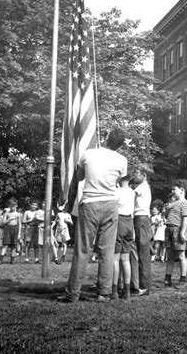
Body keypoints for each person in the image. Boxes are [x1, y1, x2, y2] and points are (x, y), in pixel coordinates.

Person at [60, 128, 127, 303]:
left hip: (90, 203)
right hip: (110, 204)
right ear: (119, 145)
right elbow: (117, 181)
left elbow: (79, 178)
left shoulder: (88, 154)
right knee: (107, 251)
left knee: (82, 250)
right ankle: (103, 293)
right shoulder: (122, 160)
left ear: (105, 138)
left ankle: (72, 293)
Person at [164, 179, 187, 289]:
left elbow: (185, 220)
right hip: (169, 229)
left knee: (181, 255)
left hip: (177, 229)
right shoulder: (174, 203)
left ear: (182, 190)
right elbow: (166, 216)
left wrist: (182, 233)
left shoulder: (184, 203)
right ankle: (167, 278)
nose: (172, 190)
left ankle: (183, 279)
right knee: (169, 255)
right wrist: (167, 208)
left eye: (174, 189)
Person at [112, 174, 135, 301]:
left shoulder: (117, 191)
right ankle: (126, 291)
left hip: (120, 220)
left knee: (115, 259)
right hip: (129, 222)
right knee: (125, 260)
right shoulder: (132, 192)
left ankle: (114, 290)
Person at [131, 164, 153, 296]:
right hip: (139, 218)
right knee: (138, 251)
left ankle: (144, 286)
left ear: (144, 176)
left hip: (142, 219)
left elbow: (129, 197)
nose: (134, 175)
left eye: (137, 173)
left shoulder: (142, 187)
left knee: (143, 252)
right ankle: (139, 283)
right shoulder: (140, 187)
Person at [2, 199, 22, 264]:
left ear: (16, 206)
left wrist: (19, 234)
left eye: (14, 206)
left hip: (15, 229)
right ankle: (1, 259)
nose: (12, 207)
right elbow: (3, 222)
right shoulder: (7, 213)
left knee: (14, 245)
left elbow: (19, 224)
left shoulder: (18, 214)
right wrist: (9, 219)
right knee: (5, 244)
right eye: (11, 206)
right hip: (8, 228)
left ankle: (12, 259)